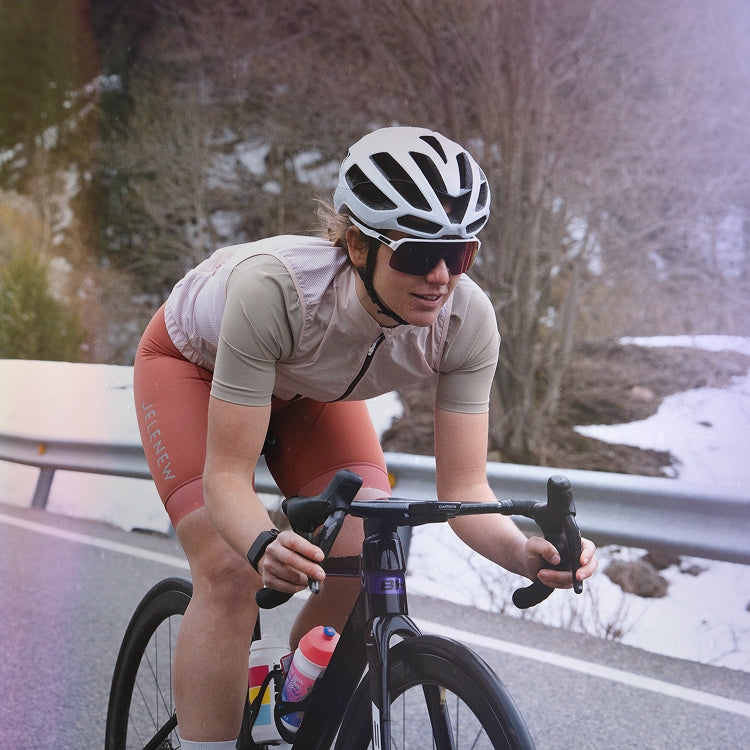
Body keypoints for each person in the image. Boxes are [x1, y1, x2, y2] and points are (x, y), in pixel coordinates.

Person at [133, 125, 598, 749]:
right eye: (416, 254)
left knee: (366, 550)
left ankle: (287, 696)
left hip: (311, 393)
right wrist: (262, 542)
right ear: (357, 244)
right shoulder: (274, 292)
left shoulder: (466, 321)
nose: (440, 276)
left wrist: (524, 554)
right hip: (195, 368)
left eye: (459, 253)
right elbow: (227, 479)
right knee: (228, 571)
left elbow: (466, 487)